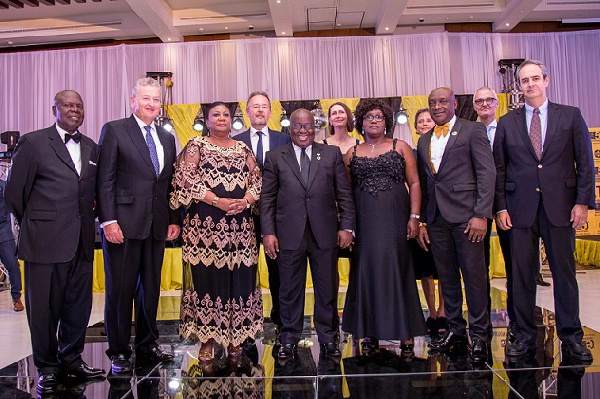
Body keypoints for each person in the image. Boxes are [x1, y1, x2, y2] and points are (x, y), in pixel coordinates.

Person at [494, 60, 594, 363]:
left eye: (535, 78)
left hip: (561, 207)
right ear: (519, 86)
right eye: (524, 81)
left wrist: (581, 202)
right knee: (520, 276)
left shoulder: (571, 115)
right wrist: (500, 206)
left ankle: (572, 338)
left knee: (564, 275)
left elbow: (585, 162)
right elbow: (500, 168)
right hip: (518, 209)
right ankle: (523, 336)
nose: (530, 84)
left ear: (546, 81)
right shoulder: (507, 122)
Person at [6, 90, 104, 394]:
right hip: (44, 242)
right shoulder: (34, 143)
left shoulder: (91, 147)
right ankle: (47, 367)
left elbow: (93, 193)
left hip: (82, 241)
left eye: (79, 106)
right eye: (68, 105)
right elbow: (14, 193)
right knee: (44, 310)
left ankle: (72, 360)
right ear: (54, 109)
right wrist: (37, 221)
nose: (74, 110)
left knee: (78, 306)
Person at [97, 77, 181, 374]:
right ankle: (119, 349)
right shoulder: (115, 129)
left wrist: (173, 219)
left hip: (157, 226)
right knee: (120, 291)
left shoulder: (167, 137)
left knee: (150, 290)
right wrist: (108, 220)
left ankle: (148, 343)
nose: (151, 104)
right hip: (122, 224)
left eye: (156, 100)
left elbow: (169, 183)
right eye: (145, 98)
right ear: (133, 100)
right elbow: (104, 179)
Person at [170, 101, 263, 360]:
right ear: (207, 120)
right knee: (208, 280)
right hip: (205, 227)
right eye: (216, 115)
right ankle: (208, 339)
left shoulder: (243, 148)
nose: (222, 118)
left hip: (240, 226)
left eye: (226, 115)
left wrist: (246, 201)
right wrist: (216, 201)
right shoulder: (196, 146)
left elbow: (258, 181)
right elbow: (185, 179)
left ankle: (235, 339)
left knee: (239, 280)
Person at [261, 108, 355, 360]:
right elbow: (267, 198)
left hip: (325, 233)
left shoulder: (331, 153)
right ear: (289, 129)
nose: (303, 131)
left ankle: (328, 337)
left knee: (327, 289)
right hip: (288, 234)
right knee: (289, 290)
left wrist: (347, 226)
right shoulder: (275, 156)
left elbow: (344, 194)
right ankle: (288, 338)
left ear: (316, 127)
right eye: (297, 126)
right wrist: (268, 232)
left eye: (308, 126)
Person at [416, 87, 495, 364]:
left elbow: (487, 173)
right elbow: (427, 184)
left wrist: (482, 214)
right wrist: (424, 221)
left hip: (468, 218)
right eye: (432, 102)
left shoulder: (473, 131)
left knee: (474, 279)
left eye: (442, 101)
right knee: (447, 279)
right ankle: (456, 332)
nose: (437, 106)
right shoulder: (423, 140)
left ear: (454, 103)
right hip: (437, 220)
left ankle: (480, 337)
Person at [342, 98, 426, 355]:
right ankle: (368, 331)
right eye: (369, 117)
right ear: (361, 123)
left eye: (379, 117)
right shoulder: (351, 153)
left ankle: (405, 332)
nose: (374, 121)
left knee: (397, 270)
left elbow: (414, 183)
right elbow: (346, 193)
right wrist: (349, 226)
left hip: (396, 220)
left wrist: (414, 217)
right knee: (366, 271)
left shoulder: (401, 147)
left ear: (387, 121)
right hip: (365, 222)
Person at [234, 91, 290, 335]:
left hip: (277, 214)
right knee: (243, 269)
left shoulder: (284, 139)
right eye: (255, 106)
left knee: (278, 268)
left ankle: (280, 318)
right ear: (247, 111)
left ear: (270, 112)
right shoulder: (235, 141)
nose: (259, 110)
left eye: (264, 107)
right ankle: (244, 319)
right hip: (242, 215)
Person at [410, 108, 447, 336]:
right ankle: (431, 311)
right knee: (425, 269)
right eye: (421, 121)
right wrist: (418, 219)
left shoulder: (445, 149)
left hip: (445, 216)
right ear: (416, 128)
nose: (425, 123)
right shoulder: (412, 153)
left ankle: (444, 311)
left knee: (443, 268)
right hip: (423, 217)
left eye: (428, 120)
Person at [0, 179, 23, 312]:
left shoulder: (4, 186)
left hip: (3, 230)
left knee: (13, 264)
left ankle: (16, 297)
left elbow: (16, 206)